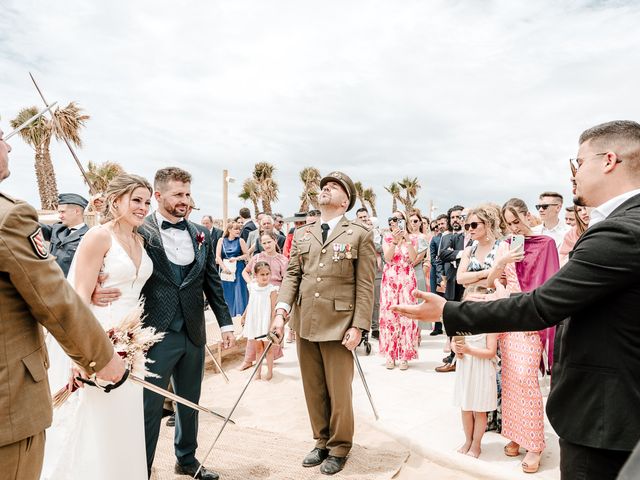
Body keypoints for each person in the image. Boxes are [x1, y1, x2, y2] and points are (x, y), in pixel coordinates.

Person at [393, 120, 640, 480]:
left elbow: (540, 305)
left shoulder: (619, 231)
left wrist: (448, 310)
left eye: (579, 162)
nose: (574, 174)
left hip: (604, 416)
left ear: (609, 161)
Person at [93, 167, 235, 480]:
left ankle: (186, 459)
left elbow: (211, 281)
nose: (186, 200)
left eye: (188, 194)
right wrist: (98, 284)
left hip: (194, 332)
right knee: (150, 407)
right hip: (154, 333)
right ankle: (141, 467)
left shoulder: (203, 233)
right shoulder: (140, 230)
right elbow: (121, 266)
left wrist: (225, 324)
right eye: (179, 194)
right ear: (159, 196)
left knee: (190, 401)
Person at [0, 126, 125, 480]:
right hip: (7, 400)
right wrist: (102, 358)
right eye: (1, 138)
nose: (8, 144)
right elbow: (54, 300)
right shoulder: (9, 216)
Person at [44, 174, 156, 480]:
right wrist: (80, 354)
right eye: (136, 200)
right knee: (93, 418)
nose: (143, 207)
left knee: (123, 418)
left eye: (147, 201)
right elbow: (79, 296)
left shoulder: (140, 239)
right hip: (99, 335)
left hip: (132, 341)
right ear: (116, 199)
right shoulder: (98, 236)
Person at [271, 171, 375, 475]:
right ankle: (321, 440)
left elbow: (365, 284)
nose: (326, 189)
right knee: (313, 387)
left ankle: (340, 446)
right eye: (324, 186)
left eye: (334, 187)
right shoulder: (303, 233)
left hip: (340, 324)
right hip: (306, 320)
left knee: (339, 390)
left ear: (345, 202)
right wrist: (281, 311)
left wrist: (359, 326)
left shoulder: (359, 233)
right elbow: (293, 275)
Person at [239, 233, 288, 370]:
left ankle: (270, 361)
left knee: (272, 329)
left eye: (269, 242)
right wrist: (252, 285)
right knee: (254, 328)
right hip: (259, 296)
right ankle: (249, 360)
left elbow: (287, 281)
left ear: (275, 241)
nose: (267, 245)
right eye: (264, 243)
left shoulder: (283, 260)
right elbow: (245, 272)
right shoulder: (257, 257)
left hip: (274, 296)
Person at [379, 210, 420, 370]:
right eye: (393, 219)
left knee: (406, 315)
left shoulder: (414, 238)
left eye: (399, 219)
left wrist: (407, 240)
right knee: (389, 315)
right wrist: (395, 242)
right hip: (390, 278)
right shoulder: (387, 238)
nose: (395, 222)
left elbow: (413, 257)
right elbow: (388, 258)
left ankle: (404, 356)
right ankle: (390, 354)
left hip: (407, 278)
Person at [452, 332, 498, 458]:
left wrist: (469, 350)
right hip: (465, 368)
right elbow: (453, 341)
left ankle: (476, 443)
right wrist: (455, 349)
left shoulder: (489, 323)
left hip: (482, 368)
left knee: (480, 409)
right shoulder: (462, 320)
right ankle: (468, 440)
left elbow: (491, 352)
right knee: (465, 407)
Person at [435, 205, 467, 372]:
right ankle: (453, 354)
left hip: (466, 282)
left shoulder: (468, 236)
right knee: (451, 317)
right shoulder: (446, 237)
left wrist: (455, 253)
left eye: (458, 217)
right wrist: (461, 254)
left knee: (464, 317)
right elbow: (442, 256)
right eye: (453, 217)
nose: (455, 220)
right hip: (450, 281)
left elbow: (452, 253)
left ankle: (459, 355)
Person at [241, 262, 279, 380]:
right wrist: (244, 315)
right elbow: (250, 302)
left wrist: (272, 325)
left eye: (267, 274)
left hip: (266, 322)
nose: (265, 277)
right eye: (262, 274)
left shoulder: (272, 290)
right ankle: (257, 372)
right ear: (255, 275)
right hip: (255, 322)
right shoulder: (252, 287)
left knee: (268, 349)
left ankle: (270, 372)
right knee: (258, 348)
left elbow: (273, 309)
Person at [40, 193, 90, 277]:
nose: (60, 216)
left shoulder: (89, 236)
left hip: (68, 286)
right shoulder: (57, 229)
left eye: (62, 212)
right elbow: (35, 226)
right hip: (49, 282)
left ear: (76, 211)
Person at [216, 221, 250, 317]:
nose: (238, 231)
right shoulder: (221, 240)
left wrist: (237, 258)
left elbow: (247, 255)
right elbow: (218, 256)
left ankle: (241, 315)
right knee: (227, 291)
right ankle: (227, 315)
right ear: (229, 229)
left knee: (239, 291)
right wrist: (223, 268)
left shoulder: (241, 241)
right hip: (226, 269)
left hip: (238, 269)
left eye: (239, 229)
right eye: (236, 229)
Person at [428, 214, 448, 335]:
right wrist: (440, 273)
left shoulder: (454, 236)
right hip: (436, 271)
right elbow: (433, 257)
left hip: (449, 271)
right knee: (437, 298)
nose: (440, 226)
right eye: (438, 224)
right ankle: (437, 326)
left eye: (442, 223)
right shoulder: (435, 239)